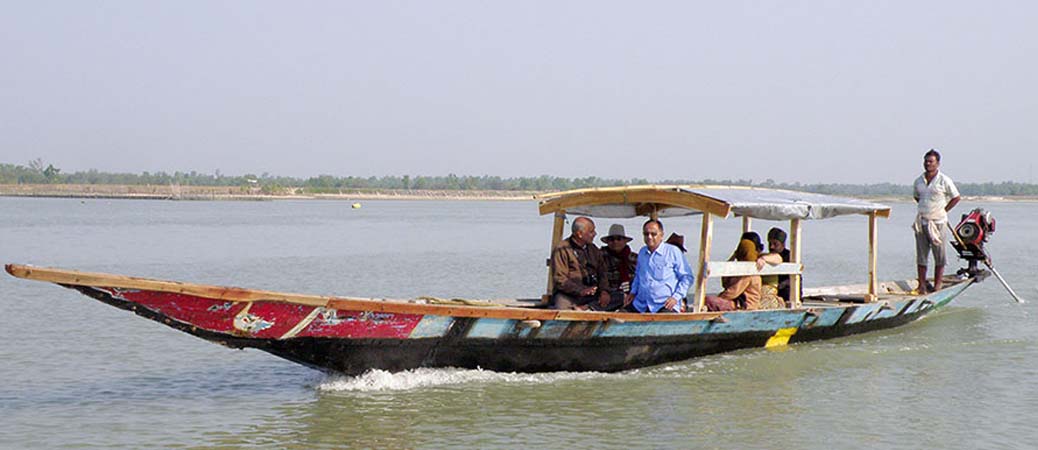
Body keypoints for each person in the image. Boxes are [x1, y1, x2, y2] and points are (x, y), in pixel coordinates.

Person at [913, 149, 960, 293]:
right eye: (926, 161)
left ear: (937, 164)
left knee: (939, 255)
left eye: (931, 161)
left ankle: (938, 285)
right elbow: (917, 197)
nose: (928, 164)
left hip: (938, 222)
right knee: (921, 255)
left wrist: (943, 211)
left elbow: (956, 197)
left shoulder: (944, 180)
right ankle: (921, 285)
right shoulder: (919, 181)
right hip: (922, 222)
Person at [623, 220, 694, 313]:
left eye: (653, 234)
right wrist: (633, 292)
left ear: (661, 235)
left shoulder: (673, 251)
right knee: (617, 318)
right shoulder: (642, 252)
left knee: (659, 324)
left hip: (665, 305)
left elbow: (687, 277)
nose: (649, 237)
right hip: (642, 304)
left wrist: (676, 297)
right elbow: (638, 276)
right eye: (646, 234)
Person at [550, 216, 610, 310]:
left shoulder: (593, 249)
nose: (594, 234)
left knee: (619, 297)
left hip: (592, 294)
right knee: (561, 307)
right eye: (591, 231)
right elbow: (560, 279)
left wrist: (604, 291)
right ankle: (587, 308)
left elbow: (603, 273)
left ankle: (587, 307)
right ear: (580, 234)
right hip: (569, 295)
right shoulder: (562, 249)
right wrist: (581, 290)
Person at [704, 233, 763, 311]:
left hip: (745, 305)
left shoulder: (749, 272)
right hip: (737, 301)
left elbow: (733, 292)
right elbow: (725, 283)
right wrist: (733, 256)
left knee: (708, 300)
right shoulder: (742, 268)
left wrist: (719, 298)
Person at [599, 224, 637, 311]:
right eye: (612, 239)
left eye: (619, 239)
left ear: (625, 241)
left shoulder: (634, 258)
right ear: (608, 242)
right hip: (607, 295)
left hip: (630, 296)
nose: (615, 242)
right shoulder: (600, 256)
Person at [757, 227, 794, 306]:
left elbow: (791, 279)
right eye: (770, 244)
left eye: (775, 244)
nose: (771, 247)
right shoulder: (768, 256)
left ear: (783, 245)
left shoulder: (790, 256)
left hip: (786, 293)